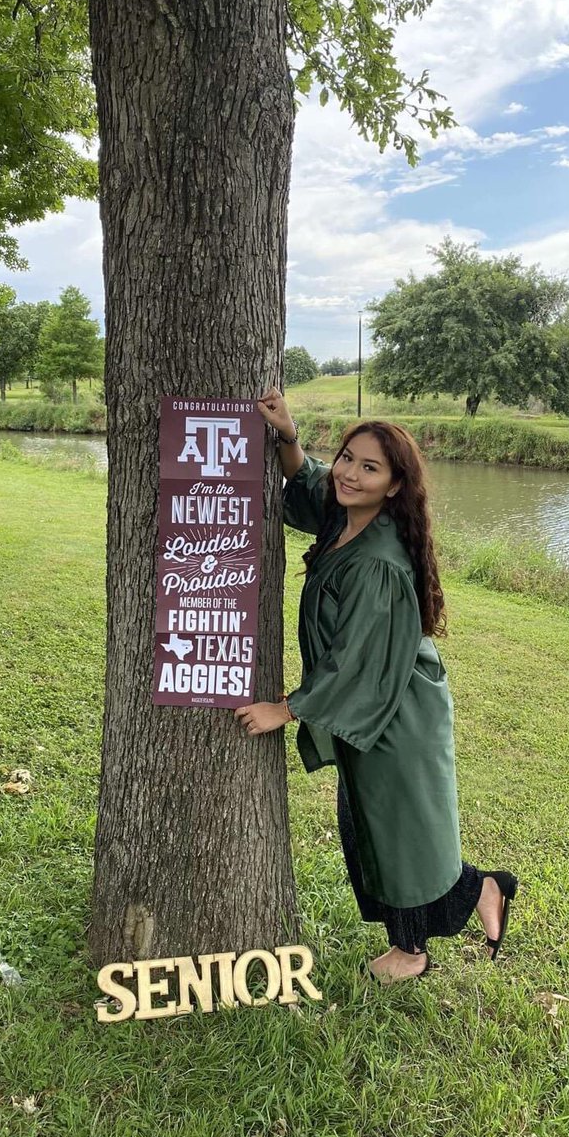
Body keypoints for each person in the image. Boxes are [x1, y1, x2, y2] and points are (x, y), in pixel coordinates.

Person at [234, 388, 518, 983]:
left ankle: (414, 951)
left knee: (399, 833)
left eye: (370, 468)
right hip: (374, 703)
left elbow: (359, 660)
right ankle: (481, 890)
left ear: (394, 486)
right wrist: (287, 433)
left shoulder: (379, 562)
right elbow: (311, 485)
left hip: (396, 708)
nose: (350, 474)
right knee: (378, 826)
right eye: (347, 458)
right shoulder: (349, 517)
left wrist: (286, 709)